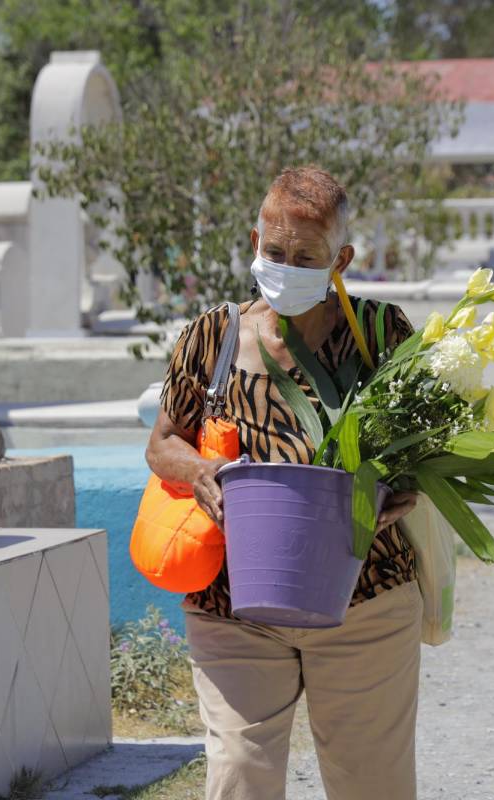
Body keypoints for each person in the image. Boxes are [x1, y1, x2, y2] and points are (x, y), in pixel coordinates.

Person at [145, 166, 423, 800]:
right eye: (275, 251)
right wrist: (201, 471)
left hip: (364, 598)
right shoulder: (210, 336)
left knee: (371, 784)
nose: (286, 264)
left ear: (342, 258)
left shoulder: (381, 335)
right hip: (233, 603)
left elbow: (423, 447)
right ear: (253, 241)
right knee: (238, 774)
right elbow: (162, 445)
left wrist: (403, 488)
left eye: (307, 256)